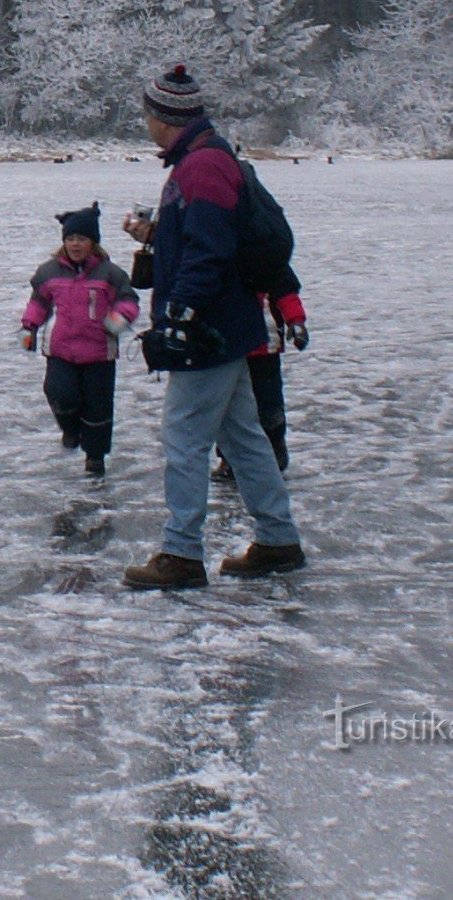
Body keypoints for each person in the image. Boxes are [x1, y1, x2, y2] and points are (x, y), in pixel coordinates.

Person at [119, 65, 304, 590]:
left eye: (149, 113)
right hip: (231, 323)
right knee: (244, 438)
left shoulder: (201, 168)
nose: (146, 122)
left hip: (212, 331)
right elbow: (205, 237)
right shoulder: (203, 161)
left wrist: (180, 314)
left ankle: (181, 553)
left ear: (164, 117)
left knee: (183, 439)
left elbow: (211, 248)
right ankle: (278, 539)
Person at [20, 204, 140, 477]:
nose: (75, 244)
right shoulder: (49, 272)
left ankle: (95, 458)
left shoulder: (110, 274)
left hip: (99, 352)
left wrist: (120, 317)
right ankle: (71, 430)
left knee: (98, 409)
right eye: (71, 239)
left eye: (82, 239)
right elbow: (39, 303)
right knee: (58, 393)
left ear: (93, 243)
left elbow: (128, 300)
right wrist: (29, 327)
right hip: (61, 349)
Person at [214, 279, 308, 481]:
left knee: (268, 402)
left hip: (264, 347)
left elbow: (285, 290)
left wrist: (296, 320)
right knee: (228, 406)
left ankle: (275, 449)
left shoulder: (266, 259)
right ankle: (229, 458)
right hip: (226, 345)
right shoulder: (217, 256)